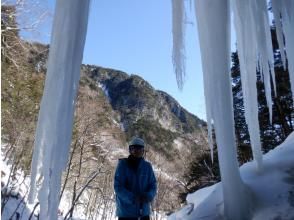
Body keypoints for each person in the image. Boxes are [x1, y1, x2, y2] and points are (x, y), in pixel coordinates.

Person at [114, 137, 157, 220]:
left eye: (139, 149)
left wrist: (148, 196)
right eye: (133, 149)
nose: (136, 151)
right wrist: (133, 198)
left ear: (143, 151)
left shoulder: (147, 166)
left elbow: (153, 185)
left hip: (144, 212)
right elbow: (118, 187)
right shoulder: (123, 165)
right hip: (126, 213)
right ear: (130, 150)